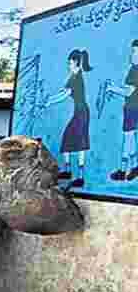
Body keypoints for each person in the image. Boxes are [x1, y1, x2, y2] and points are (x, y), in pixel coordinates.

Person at [40, 49, 92, 188]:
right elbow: (63, 92)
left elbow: (65, 94)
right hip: (80, 111)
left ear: (76, 63)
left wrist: (49, 101)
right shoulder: (73, 76)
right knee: (69, 140)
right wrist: (50, 99)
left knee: (80, 143)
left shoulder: (76, 77)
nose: (68, 66)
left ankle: (80, 177)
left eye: (70, 63)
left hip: (82, 112)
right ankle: (68, 171)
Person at [102, 41, 138, 182]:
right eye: (132, 51)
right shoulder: (133, 69)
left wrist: (112, 88)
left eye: (135, 52)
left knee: (128, 139)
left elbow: (128, 92)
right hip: (133, 108)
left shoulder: (135, 70)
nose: (132, 55)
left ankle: (123, 170)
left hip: (132, 108)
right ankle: (134, 167)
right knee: (131, 139)